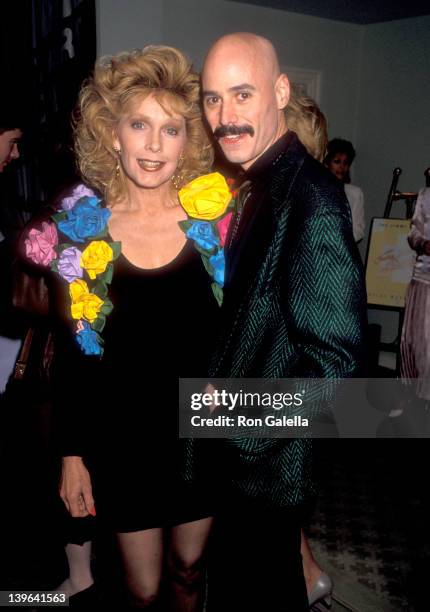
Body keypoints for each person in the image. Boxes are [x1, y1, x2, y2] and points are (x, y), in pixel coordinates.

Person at [24, 46, 218, 610]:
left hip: (198, 433)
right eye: (139, 124)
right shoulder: (83, 236)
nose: (154, 144)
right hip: (122, 436)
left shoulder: (216, 230)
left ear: (189, 143)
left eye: (171, 129)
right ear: (114, 135)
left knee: (188, 572)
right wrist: (72, 454)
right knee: (143, 589)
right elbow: (73, 355)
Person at [200, 32, 367, 611]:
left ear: (280, 91)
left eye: (242, 95)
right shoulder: (263, 184)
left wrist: (239, 422)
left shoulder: (312, 198)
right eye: (213, 99)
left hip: (269, 471)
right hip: (247, 467)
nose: (225, 117)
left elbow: (337, 358)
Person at [401, 187, 430, 401]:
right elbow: (413, 234)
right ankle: (417, 399)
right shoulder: (426, 195)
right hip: (424, 279)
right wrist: (423, 244)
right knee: (417, 342)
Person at [324, 138, 365, 243]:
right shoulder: (316, 190)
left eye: (346, 163)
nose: (342, 167)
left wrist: (337, 242)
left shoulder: (355, 193)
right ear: (327, 163)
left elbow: (358, 230)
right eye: (337, 162)